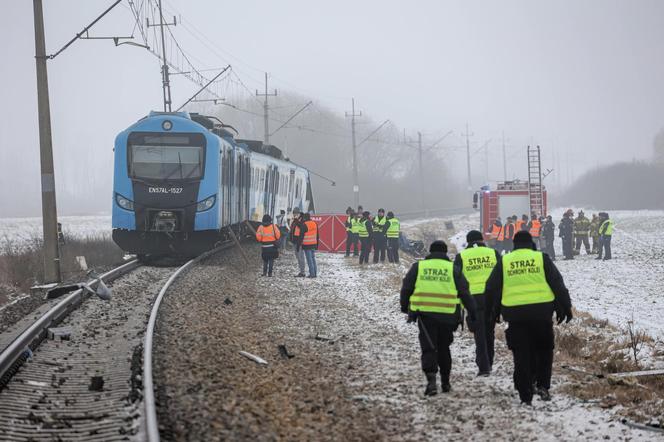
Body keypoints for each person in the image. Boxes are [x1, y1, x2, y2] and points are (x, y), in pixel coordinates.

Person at [485, 231, 573, 405]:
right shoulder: (542, 258)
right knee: (544, 350)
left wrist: (493, 311)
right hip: (542, 315)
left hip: (515, 317)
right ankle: (543, 386)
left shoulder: (505, 261)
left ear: (514, 244)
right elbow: (557, 283)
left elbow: (491, 288)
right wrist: (565, 307)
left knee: (521, 353)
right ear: (531, 243)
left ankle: (525, 391)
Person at [400, 240, 477, 396]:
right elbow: (464, 292)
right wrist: (473, 311)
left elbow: (407, 287)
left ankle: (431, 381)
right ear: (445, 252)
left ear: (430, 251)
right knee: (443, 348)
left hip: (425, 315)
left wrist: (404, 307)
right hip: (448, 316)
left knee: (429, 347)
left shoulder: (419, 267)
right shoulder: (452, 269)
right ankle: (446, 382)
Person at [454, 230, 500, 376]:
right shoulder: (493, 253)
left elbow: (456, 281)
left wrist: (459, 306)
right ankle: (489, 362)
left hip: (472, 299)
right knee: (489, 330)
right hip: (491, 298)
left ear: (468, 242)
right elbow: (502, 276)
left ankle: (484, 367)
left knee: (479, 332)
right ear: (481, 239)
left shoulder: (461, 256)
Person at [301, 213, 319, 277]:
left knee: (309, 260)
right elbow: (317, 235)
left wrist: (299, 244)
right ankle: (315, 273)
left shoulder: (304, 224)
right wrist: (317, 245)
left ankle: (312, 274)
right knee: (313, 259)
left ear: (305, 218)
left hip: (307, 245)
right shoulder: (314, 223)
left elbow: (301, 236)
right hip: (313, 244)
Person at [290, 208, 306, 277]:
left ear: (299, 213)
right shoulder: (295, 220)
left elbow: (301, 227)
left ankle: (302, 272)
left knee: (300, 257)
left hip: (299, 242)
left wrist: (296, 220)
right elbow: (292, 230)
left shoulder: (302, 220)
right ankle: (301, 271)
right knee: (298, 256)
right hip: (295, 241)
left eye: (296, 214)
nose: (295, 215)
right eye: (294, 214)